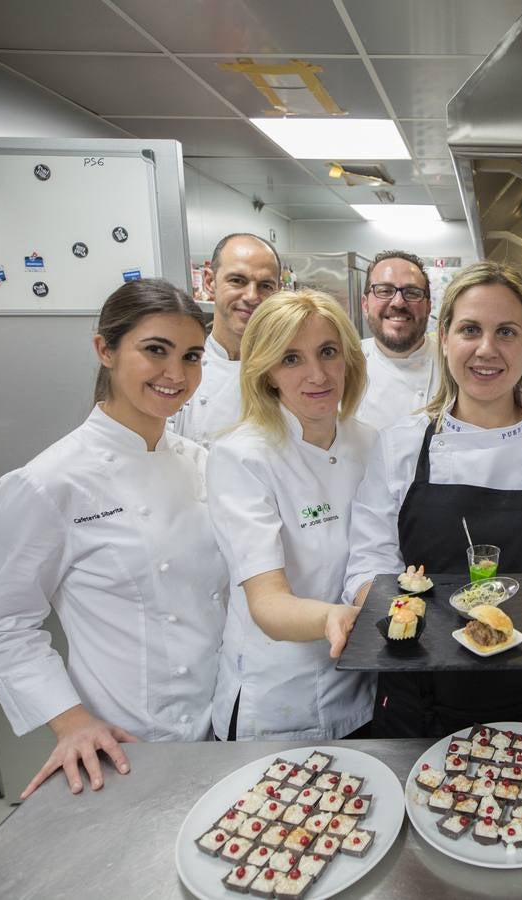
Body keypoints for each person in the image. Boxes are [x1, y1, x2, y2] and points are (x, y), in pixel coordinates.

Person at [0, 279, 228, 798]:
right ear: (104, 349)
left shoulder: (202, 464)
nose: (176, 374)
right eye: (155, 350)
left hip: (223, 724)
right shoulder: (49, 483)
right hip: (128, 740)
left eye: (192, 356)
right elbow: (1, 626)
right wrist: (69, 720)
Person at [344, 261, 522, 737]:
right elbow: (368, 566)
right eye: (470, 329)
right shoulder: (400, 444)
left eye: (506, 332)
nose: (487, 349)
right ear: (443, 337)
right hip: (419, 695)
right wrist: (400, 613)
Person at [205, 289, 376, 741]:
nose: (317, 374)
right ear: (267, 373)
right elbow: (268, 604)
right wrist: (333, 619)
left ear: (348, 359)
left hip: (360, 686)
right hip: (277, 696)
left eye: (328, 352)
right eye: (291, 359)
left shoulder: (371, 444)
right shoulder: (242, 456)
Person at [168, 233, 281, 447]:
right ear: (210, 282)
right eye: (237, 281)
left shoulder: (287, 369)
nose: (251, 296)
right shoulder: (180, 368)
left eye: (266, 286)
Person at [358, 249, 439, 428]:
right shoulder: (344, 364)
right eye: (384, 291)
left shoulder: (454, 366)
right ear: (365, 304)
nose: (398, 302)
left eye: (412, 292)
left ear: (428, 307)